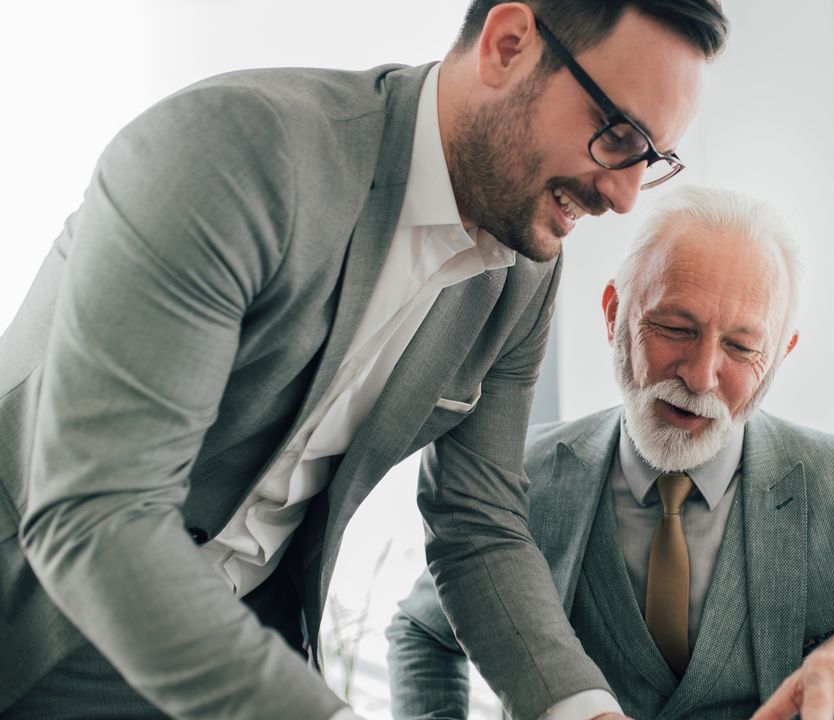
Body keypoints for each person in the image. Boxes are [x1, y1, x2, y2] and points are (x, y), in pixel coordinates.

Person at [0, 2, 727, 719]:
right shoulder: (235, 150)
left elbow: (479, 525)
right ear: (508, 45)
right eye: (618, 134)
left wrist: (582, 710)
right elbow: (101, 512)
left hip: (242, 649)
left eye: (652, 158)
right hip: (37, 614)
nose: (626, 194)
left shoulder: (524, 273)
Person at [386, 186, 834, 720]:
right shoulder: (518, 480)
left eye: (740, 347)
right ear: (614, 312)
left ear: (780, 356)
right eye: (675, 328)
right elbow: (423, 632)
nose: (702, 376)